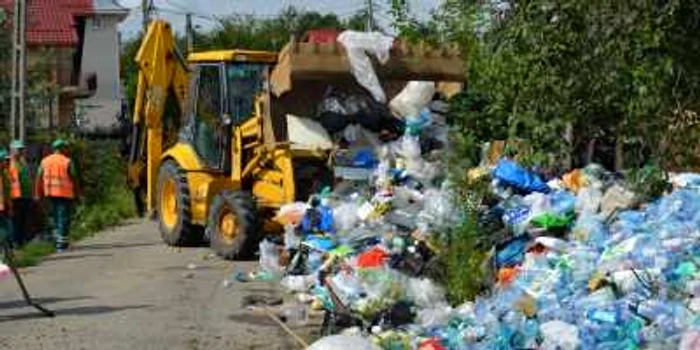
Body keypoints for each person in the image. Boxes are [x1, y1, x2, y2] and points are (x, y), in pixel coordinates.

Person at [35, 139, 79, 252]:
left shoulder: (44, 161)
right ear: (62, 148)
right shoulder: (67, 161)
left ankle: (57, 242)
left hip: (49, 193)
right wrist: (77, 193)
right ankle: (62, 245)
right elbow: (74, 178)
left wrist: (37, 193)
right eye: (66, 147)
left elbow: (38, 178)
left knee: (54, 217)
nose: (67, 149)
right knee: (63, 218)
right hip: (64, 194)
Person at [9, 140, 33, 247]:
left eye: (22, 149)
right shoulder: (9, 163)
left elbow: (27, 178)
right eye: (19, 149)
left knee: (24, 221)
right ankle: (15, 243)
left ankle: (21, 242)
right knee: (16, 221)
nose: (21, 151)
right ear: (12, 150)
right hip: (15, 197)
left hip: (25, 196)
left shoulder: (23, 162)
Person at [0, 148, 12, 246]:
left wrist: (9, 206)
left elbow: (7, 192)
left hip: (5, 206)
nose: (7, 162)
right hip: (1, 207)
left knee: (6, 229)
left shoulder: (5, 174)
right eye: (5, 160)